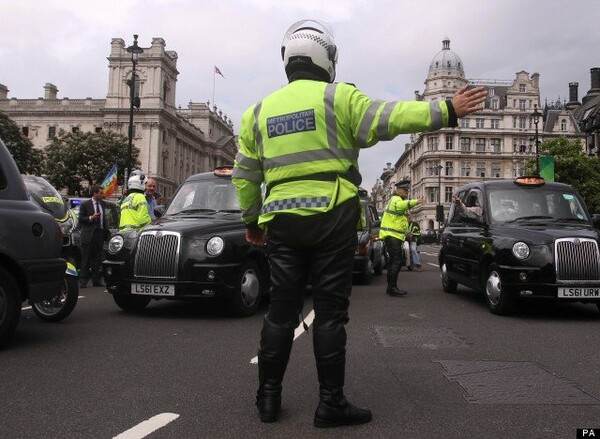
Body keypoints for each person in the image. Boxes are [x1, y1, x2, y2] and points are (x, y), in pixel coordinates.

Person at [232, 18, 487, 427]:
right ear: (327, 58)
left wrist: (252, 221)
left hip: (280, 219)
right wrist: (446, 109)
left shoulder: (257, 113)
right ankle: (330, 404)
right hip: (333, 215)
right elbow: (391, 117)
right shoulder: (339, 98)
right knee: (330, 314)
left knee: (280, 312)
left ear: (289, 58)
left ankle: (267, 400)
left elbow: (245, 177)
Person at [380, 181, 424, 296]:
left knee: (394, 262)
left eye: (407, 190)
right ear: (398, 190)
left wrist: (406, 231)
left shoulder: (394, 200)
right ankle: (392, 288)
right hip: (393, 236)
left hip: (394, 236)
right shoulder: (396, 200)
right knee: (396, 261)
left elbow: (398, 220)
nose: (407, 192)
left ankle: (390, 287)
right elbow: (401, 207)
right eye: (405, 190)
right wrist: (416, 202)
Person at [78, 185, 110, 288]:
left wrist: (106, 232)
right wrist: (91, 218)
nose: (102, 194)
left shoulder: (103, 204)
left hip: (99, 234)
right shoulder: (85, 204)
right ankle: (83, 281)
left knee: (97, 259)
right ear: (95, 193)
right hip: (88, 234)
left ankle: (96, 281)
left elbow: (104, 220)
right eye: (100, 193)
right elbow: (81, 218)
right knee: (86, 258)